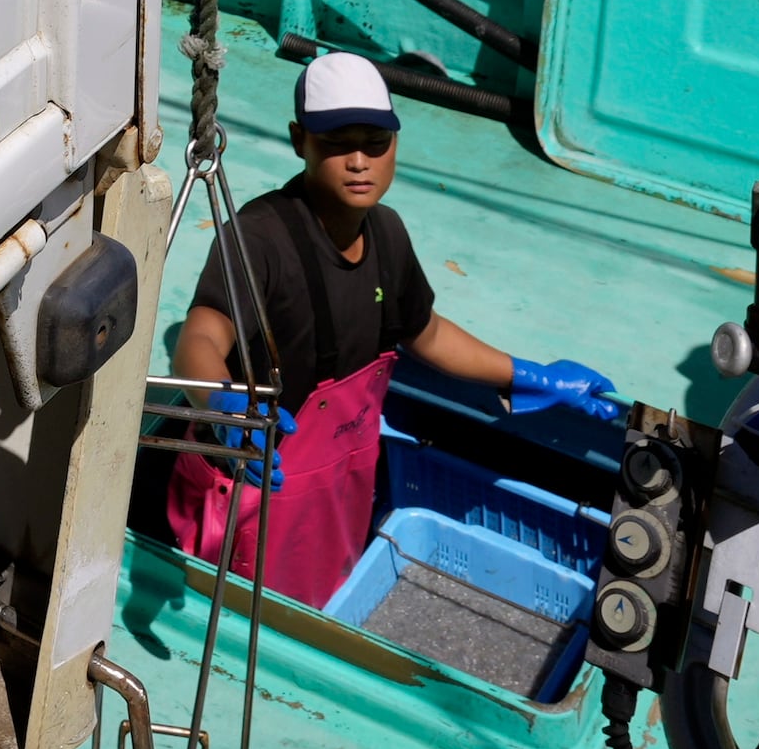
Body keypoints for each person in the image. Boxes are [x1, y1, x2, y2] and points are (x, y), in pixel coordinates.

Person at [161, 54, 615, 609]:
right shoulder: (260, 239)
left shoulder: (388, 234)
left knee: (327, 597)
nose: (358, 162)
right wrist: (229, 409)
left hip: (337, 488)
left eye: (375, 142)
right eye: (336, 143)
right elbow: (200, 338)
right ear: (299, 140)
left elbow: (426, 334)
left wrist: (529, 376)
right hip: (258, 485)